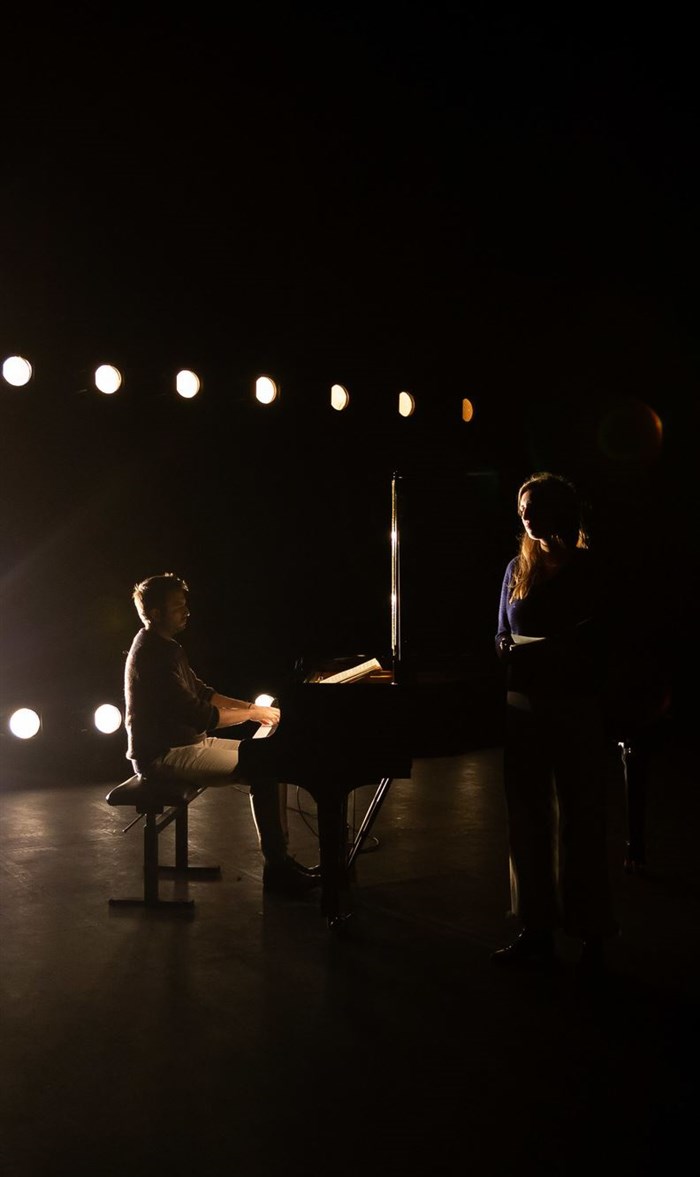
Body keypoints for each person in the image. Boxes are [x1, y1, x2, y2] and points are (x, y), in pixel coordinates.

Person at [491, 472, 618, 974]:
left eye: (535, 506)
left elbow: (604, 640)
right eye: (522, 508)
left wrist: (562, 652)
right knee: (527, 820)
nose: (526, 516)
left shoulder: (590, 569)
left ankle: (591, 932)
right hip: (523, 708)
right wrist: (505, 647)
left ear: (561, 511)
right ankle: (535, 927)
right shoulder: (516, 568)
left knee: (582, 820)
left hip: (574, 706)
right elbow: (500, 632)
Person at [124, 572, 319, 897]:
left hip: (186, 744)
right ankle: (278, 868)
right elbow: (200, 715)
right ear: (156, 613)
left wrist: (251, 707)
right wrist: (253, 715)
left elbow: (204, 693)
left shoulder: (165, 647)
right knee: (264, 767)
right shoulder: (153, 655)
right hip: (162, 756)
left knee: (269, 759)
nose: (186, 611)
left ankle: (281, 862)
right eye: (178, 606)